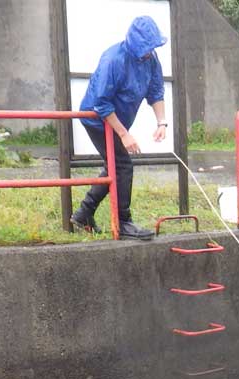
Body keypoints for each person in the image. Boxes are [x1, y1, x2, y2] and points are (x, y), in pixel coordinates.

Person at [71, 16, 168, 241]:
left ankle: (83, 214)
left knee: (114, 167)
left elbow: (156, 91)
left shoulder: (150, 60)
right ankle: (123, 222)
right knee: (123, 165)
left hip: (117, 119)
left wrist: (161, 122)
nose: (149, 51)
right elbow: (101, 103)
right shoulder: (113, 60)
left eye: (153, 47)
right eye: (146, 47)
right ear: (134, 43)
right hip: (97, 119)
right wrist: (124, 134)